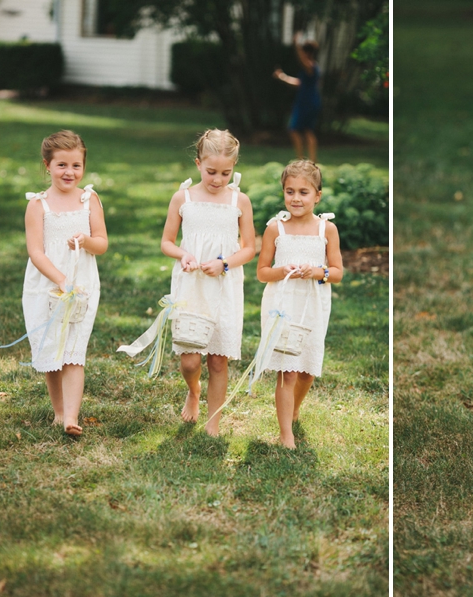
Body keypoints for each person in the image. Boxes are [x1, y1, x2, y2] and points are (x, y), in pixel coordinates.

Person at [161, 129, 256, 436]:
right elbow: (166, 242)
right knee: (190, 361)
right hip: (191, 285)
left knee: (218, 360)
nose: (217, 179)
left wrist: (225, 263)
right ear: (198, 163)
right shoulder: (183, 197)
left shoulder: (239, 200)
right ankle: (193, 389)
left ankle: (213, 423)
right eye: (211, 171)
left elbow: (249, 248)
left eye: (225, 173)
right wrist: (183, 254)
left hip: (224, 287)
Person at [20, 130, 108, 436]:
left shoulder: (89, 200)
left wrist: (85, 240)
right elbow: (35, 251)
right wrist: (60, 279)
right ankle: (58, 411)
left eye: (75, 165)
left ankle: (72, 416)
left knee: (73, 349)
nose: (69, 172)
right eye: (61, 165)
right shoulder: (38, 205)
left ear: (83, 166)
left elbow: (102, 243)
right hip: (46, 284)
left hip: (82, 284)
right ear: (47, 165)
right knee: (53, 351)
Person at [256, 160, 343, 449]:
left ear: (317, 195)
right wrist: (285, 270)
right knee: (287, 369)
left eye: (303, 192)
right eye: (289, 191)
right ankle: (285, 434)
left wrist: (318, 272)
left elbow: (338, 272)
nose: (296, 198)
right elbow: (262, 272)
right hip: (282, 302)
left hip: (314, 304)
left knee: (306, 370)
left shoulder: (326, 230)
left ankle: (295, 408)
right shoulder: (275, 229)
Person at [273, 33, 322, 163]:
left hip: (307, 102)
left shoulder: (311, 67)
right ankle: (308, 160)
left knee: (296, 130)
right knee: (306, 131)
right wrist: (282, 76)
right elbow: (299, 83)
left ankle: (304, 159)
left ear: (308, 53)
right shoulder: (312, 69)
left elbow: (301, 59)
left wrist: (296, 44)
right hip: (306, 101)